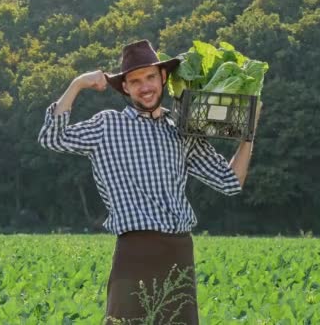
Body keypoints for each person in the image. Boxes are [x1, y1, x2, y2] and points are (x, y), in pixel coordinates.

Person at [38, 39, 261, 324]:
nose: (145, 87)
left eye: (150, 77)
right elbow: (51, 137)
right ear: (126, 87)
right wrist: (78, 84)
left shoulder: (182, 131)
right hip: (134, 254)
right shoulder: (108, 125)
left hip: (179, 253)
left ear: (163, 78)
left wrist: (248, 132)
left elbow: (230, 181)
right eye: (135, 81)